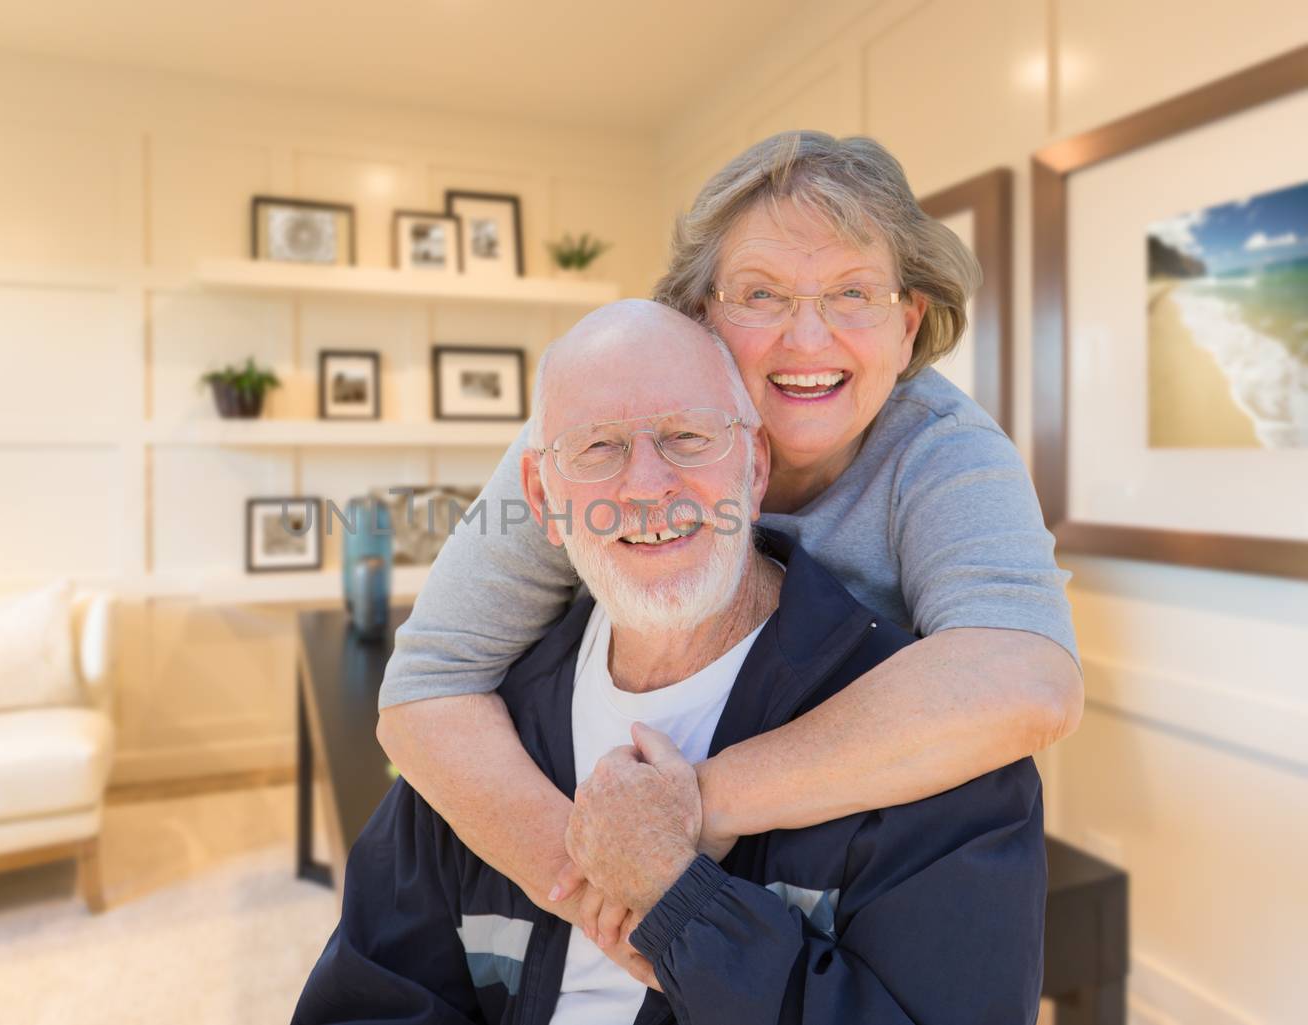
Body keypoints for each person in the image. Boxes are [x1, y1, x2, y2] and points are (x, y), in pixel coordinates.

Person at [376, 131, 1081, 952]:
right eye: (761, 294)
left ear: (908, 322)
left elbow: (1028, 676)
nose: (808, 339)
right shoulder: (586, 443)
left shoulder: (943, 450)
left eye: (854, 293)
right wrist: (601, 895)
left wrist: (694, 806)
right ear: (699, 314)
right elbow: (426, 687)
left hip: (848, 868)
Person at [293, 303, 1046, 1024]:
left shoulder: (929, 740)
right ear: (543, 499)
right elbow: (372, 997)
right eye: (598, 446)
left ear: (754, 469)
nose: (646, 485)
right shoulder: (487, 735)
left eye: (689, 436)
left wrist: (681, 904)